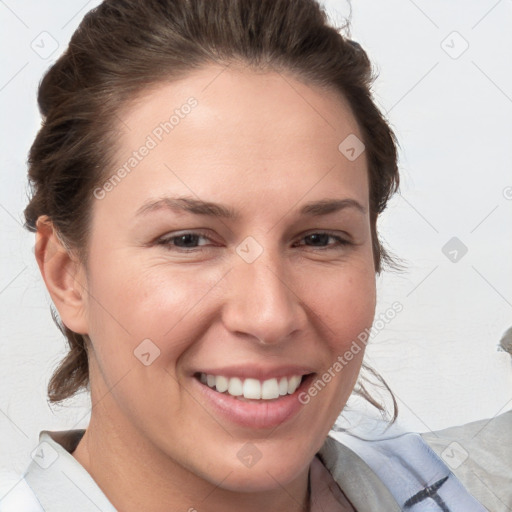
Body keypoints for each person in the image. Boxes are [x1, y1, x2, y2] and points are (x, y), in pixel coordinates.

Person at [1, 0, 510, 510]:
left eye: (319, 239)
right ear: (67, 275)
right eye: (188, 240)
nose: (269, 316)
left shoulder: (478, 486)